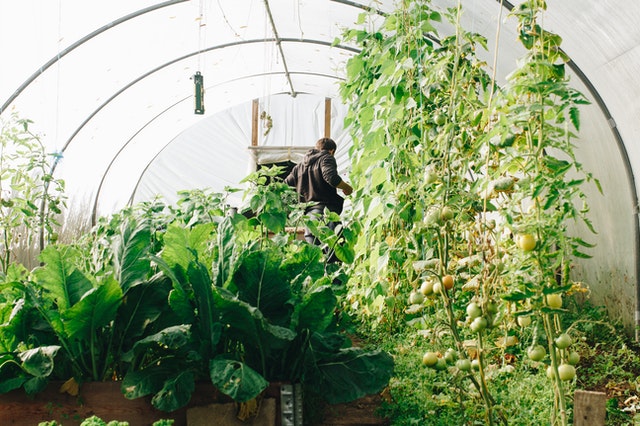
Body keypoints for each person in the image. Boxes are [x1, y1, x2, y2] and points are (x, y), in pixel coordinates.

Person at [284, 138, 353, 259]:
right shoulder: (326, 158)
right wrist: (347, 187)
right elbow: (331, 178)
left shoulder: (299, 167)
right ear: (331, 151)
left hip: (309, 220)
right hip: (326, 215)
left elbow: (284, 186)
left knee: (317, 261)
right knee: (334, 259)